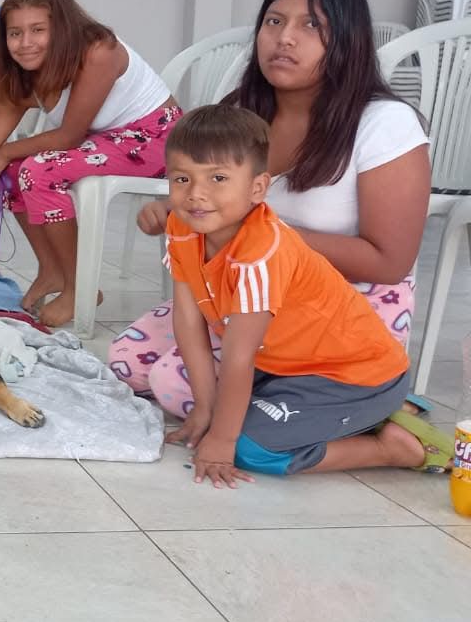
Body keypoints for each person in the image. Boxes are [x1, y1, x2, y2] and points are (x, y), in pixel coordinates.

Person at [110, 0, 432, 414]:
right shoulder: (243, 111)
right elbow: (224, 197)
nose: (284, 38)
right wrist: (176, 206)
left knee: (175, 385)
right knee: (126, 362)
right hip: (246, 291)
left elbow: (389, 262)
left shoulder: (384, 124)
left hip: (342, 308)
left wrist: (261, 236)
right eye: (274, 22)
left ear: (348, 42)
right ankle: (315, 409)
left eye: (311, 25)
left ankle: (374, 409)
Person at [155, 104, 451, 486]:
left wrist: (222, 442)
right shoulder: (181, 228)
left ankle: (390, 446)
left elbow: (240, 355)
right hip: (286, 367)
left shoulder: (262, 251)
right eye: (182, 179)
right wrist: (204, 409)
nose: (197, 194)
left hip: (353, 374)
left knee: (249, 448)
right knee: (198, 398)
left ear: (257, 188)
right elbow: (188, 319)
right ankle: (369, 413)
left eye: (218, 178)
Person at [0, 0, 180, 326]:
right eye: (15, 33)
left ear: (62, 29)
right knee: (10, 170)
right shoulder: (21, 79)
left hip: (157, 139)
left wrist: (8, 150)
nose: (25, 43)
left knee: (38, 169)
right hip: (106, 140)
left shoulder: (98, 51)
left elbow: (69, 136)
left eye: (38, 30)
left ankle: (80, 288)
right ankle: (52, 269)